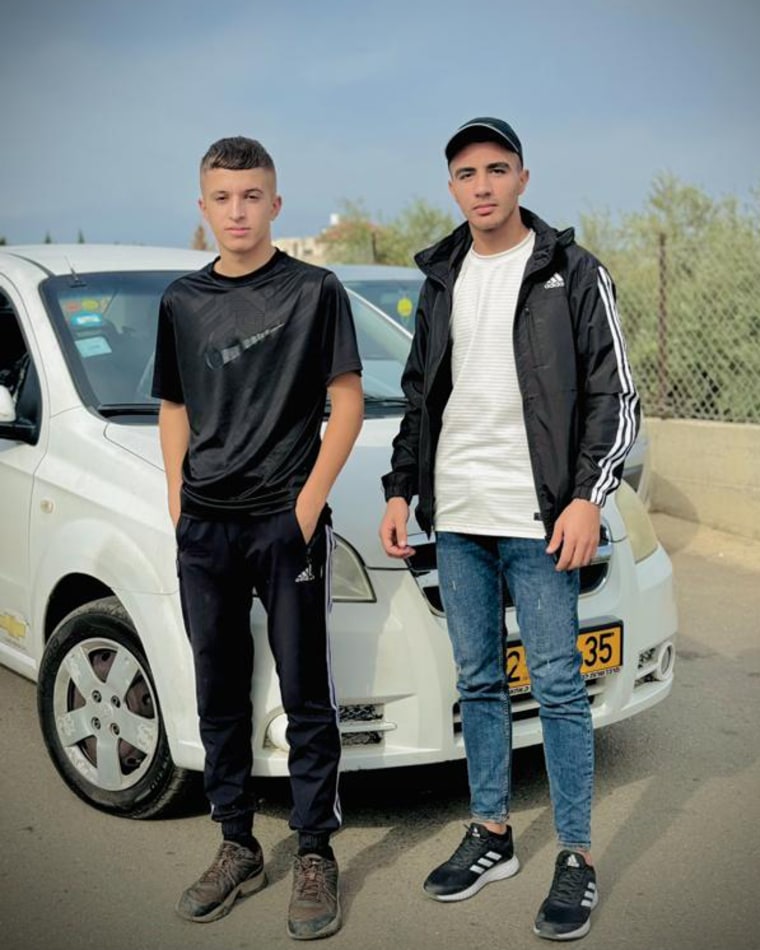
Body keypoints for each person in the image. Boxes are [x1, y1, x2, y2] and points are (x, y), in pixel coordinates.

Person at [379, 117, 639, 941]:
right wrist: (398, 490)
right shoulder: (443, 274)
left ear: (524, 177)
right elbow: (420, 392)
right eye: (466, 174)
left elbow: (614, 396)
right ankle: (493, 832)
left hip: (537, 518)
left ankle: (577, 855)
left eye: (497, 169)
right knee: (479, 679)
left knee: (558, 686)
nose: (482, 185)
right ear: (451, 186)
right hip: (456, 514)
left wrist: (587, 497)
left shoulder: (570, 269)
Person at [152, 136, 363, 940]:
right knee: (218, 688)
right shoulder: (182, 300)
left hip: (285, 522)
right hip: (205, 526)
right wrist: (179, 504)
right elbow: (174, 407)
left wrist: (306, 506)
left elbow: (344, 401)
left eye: (251, 196)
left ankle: (314, 852)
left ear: (276, 204)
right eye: (221, 197)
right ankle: (236, 844)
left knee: (307, 691)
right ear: (202, 208)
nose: (236, 211)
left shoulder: (315, 290)